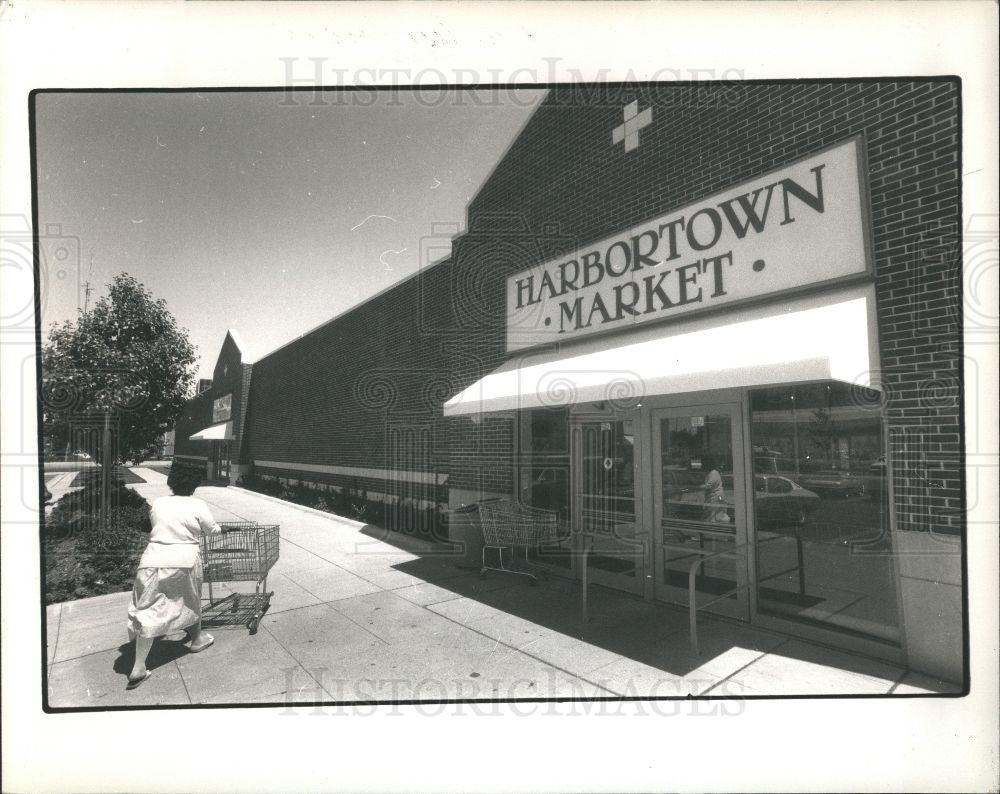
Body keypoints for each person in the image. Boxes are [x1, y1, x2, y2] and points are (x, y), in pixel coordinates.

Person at [125, 466, 222, 689]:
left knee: (147, 608)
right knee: (191, 599)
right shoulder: (197, 505)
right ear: (194, 484)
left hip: (152, 560)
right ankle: (196, 640)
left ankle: (139, 665)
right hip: (183, 560)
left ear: (172, 482)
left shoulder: (159, 503)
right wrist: (222, 529)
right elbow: (212, 530)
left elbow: (158, 526)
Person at [700, 455, 729, 524]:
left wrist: (700, 486)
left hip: (715, 496)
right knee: (720, 509)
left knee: (712, 511)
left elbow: (709, 485)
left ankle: (712, 525)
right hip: (719, 495)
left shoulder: (713, 473)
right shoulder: (713, 472)